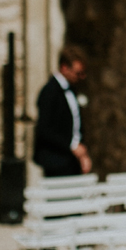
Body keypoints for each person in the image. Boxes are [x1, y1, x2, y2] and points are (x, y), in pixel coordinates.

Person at [33, 45, 92, 177]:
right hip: (56, 161)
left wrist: (82, 154)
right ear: (64, 68)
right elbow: (45, 129)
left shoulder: (72, 90)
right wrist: (72, 145)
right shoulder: (49, 92)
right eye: (78, 73)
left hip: (71, 161)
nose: (82, 77)